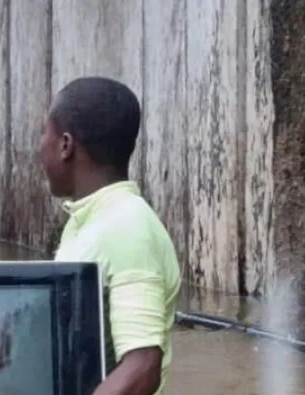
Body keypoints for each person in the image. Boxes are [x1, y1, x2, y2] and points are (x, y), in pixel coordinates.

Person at [38, 77, 181, 395]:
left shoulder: (126, 228)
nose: (39, 146)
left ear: (65, 144)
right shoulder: (88, 221)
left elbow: (142, 366)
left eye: (42, 133)